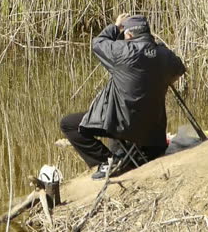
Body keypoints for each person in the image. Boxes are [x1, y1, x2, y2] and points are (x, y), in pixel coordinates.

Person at [60, 14, 186, 180]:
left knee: (68, 124)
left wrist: (116, 26)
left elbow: (98, 43)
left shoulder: (122, 51)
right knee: (126, 115)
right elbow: (180, 69)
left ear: (129, 35)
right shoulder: (165, 55)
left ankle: (108, 161)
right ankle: (128, 156)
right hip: (155, 139)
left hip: (124, 127)